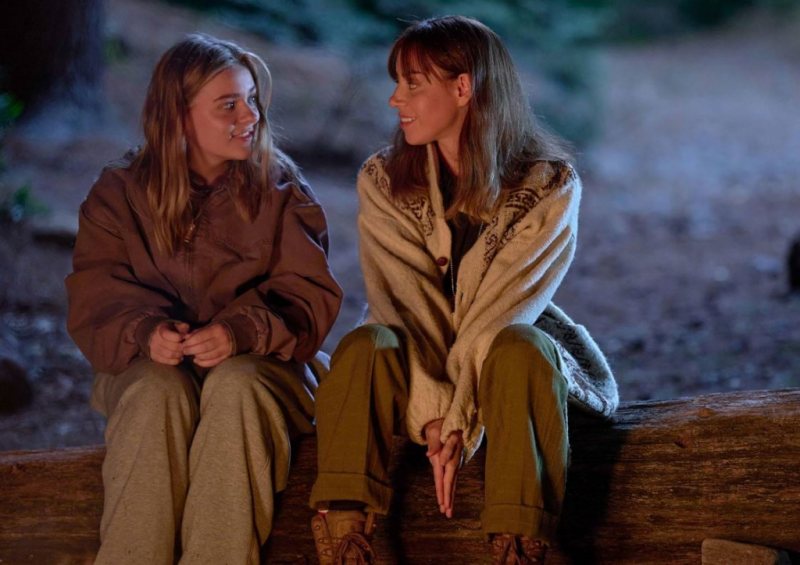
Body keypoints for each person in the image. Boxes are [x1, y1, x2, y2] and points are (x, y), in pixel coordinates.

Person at [308, 16, 617, 564]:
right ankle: (346, 538)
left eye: (412, 84)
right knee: (364, 345)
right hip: (418, 363)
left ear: (463, 87)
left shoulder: (549, 184)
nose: (395, 99)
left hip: (505, 369)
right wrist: (433, 414)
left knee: (520, 345)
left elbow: (499, 313)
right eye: (397, 83)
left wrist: (459, 422)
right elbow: (404, 305)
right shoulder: (383, 180)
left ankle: (520, 545)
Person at [66, 34, 342, 565]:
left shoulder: (281, 191)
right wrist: (146, 331)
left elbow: (308, 295)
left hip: (264, 367)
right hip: (149, 367)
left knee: (236, 387)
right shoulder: (119, 195)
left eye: (252, 99)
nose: (251, 115)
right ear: (178, 117)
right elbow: (95, 292)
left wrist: (241, 332)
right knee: (156, 392)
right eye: (228, 105)